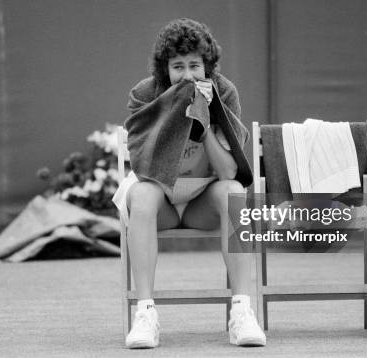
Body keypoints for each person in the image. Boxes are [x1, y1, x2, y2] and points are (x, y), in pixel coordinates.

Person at [113, 18, 266, 349]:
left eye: (194, 66)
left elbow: (228, 172)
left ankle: (242, 310)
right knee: (141, 194)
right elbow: (143, 167)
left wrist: (206, 120)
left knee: (235, 194)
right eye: (177, 67)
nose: (187, 76)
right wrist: (174, 109)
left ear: (207, 67)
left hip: (201, 202)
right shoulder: (144, 94)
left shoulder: (224, 92)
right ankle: (145, 314)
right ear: (164, 69)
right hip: (160, 199)